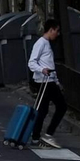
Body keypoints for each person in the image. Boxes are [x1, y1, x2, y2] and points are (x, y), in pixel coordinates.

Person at [28, 17, 66, 148]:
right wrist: (41, 70)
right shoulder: (41, 43)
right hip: (45, 81)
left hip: (48, 80)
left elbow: (49, 64)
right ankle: (45, 135)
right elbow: (32, 62)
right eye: (57, 30)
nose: (58, 33)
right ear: (51, 30)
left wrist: (56, 81)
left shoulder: (46, 44)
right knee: (60, 106)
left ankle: (37, 136)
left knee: (43, 109)